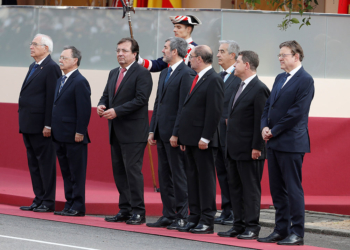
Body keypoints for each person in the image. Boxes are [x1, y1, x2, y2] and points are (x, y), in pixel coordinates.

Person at [258, 40, 314, 246]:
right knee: (277, 189)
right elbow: (268, 107)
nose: (280, 58)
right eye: (279, 55)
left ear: (296, 56)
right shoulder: (280, 78)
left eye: (283, 55)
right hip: (273, 141)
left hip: (291, 143)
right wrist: (264, 127)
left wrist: (274, 130)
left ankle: (297, 233)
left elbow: (297, 113)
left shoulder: (305, 80)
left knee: (293, 189)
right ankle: (281, 229)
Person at [98, 38, 153, 225]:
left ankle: (138, 211)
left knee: (132, 172)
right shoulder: (114, 73)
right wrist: (102, 105)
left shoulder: (142, 73)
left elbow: (141, 100)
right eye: (118, 50)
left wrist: (117, 111)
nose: (120, 53)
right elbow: (107, 94)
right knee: (119, 172)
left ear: (134, 53)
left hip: (134, 132)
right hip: (115, 130)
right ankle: (125, 209)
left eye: (125, 51)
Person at [218, 51, 270, 239]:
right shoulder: (238, 86)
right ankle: (238, 225)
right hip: (233, 149)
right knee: (235, 188)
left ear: (247, 65)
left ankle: (252, 227)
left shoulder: (259, 88)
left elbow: (261, 119)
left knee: (250, 190)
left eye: (237, 62)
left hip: (250, 150)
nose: (234, 66)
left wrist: (257, 147)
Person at [147, 37, 196, 229]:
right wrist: (152, 129)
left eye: (166, 48)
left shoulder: (187, 73)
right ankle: (168, 214)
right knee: (164, 175)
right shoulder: (164, 73)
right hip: (161, 132)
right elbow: (158, 103)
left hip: (174, 135)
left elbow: (184, 108)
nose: (163, 51)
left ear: (175, 51)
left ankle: (182, 215)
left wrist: (177, 134)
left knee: (178, 176)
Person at [177, 45, 224, 234]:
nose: (189, 60)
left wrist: (206, 137)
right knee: (192, 179)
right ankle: (194, 216)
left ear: (200, 59)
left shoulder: (213, 79)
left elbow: (214, 111)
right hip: (190, 139)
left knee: (205, 181)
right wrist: (183, 137)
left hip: (203, 140)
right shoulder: (196, 78)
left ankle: (206, 220)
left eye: (192, 56)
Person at [18, 34, 61, 213]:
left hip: (42, 127)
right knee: (34, 164)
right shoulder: (34, 66)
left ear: (46, 48)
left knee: (45, 164)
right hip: (28, 123)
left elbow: (53, 98)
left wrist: (49, 125)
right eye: (31, 43)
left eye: (35, 44)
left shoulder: (51, 68)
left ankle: (48, 201)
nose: (31, 47)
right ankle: (38, 198)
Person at [52, 46, 91, 217]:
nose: (60, 60)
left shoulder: (80, 81)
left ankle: (78, 206)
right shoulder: (60, 80)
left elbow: (84, 109)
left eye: (64, 58)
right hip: (60, 134)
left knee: (76, 172)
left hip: (74, 135)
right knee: (66, 172)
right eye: (60, 57)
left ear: (75, 61)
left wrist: (80, 131)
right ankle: (69, 203)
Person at [214, 40, 241, 225]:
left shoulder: (239, 77)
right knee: (221, 173)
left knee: (233, 174)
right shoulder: (217, 76)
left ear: (233, 55)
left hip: (231, 133)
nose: (218, 55)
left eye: (222, 51)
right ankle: (225, 209)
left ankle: (235, 211)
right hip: (215, 133)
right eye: (218, 51)